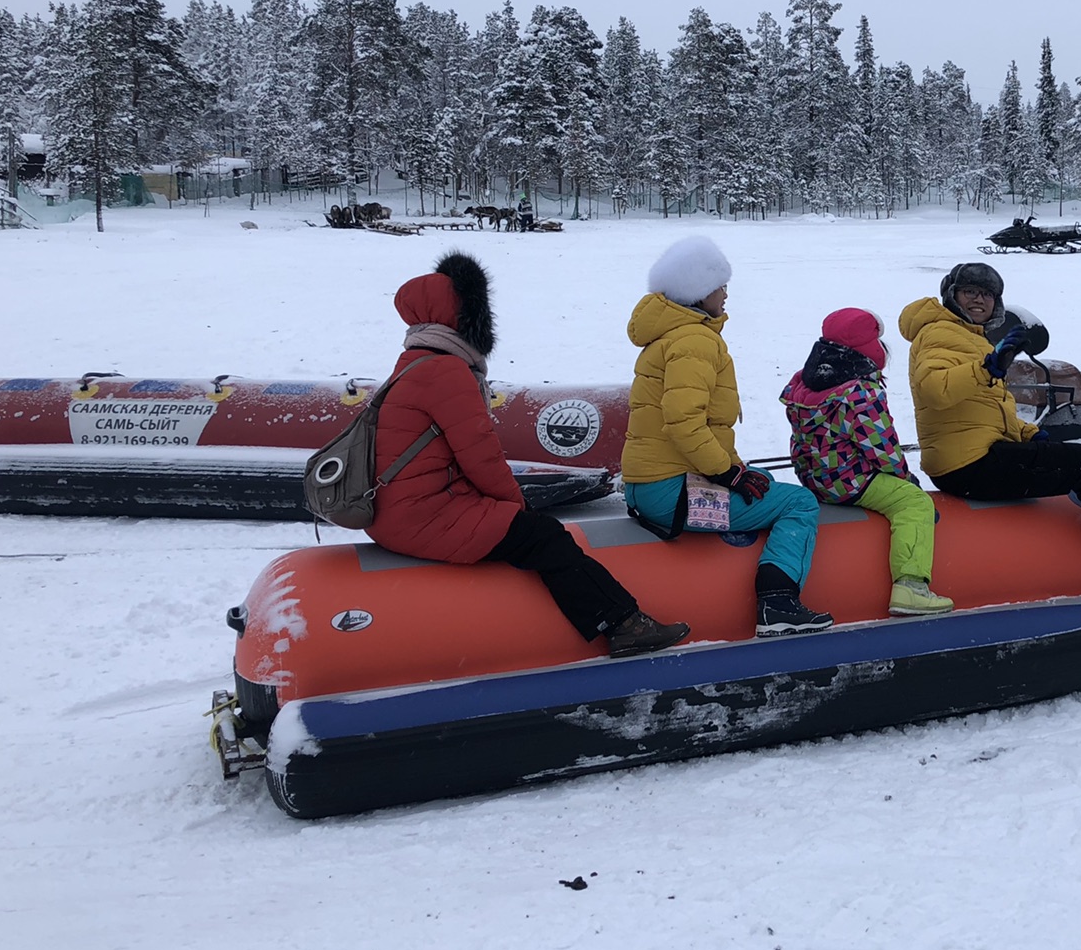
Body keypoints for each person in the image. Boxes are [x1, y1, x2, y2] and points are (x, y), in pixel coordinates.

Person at [366, 251, 689, 656]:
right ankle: (623, 624)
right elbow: (481, 457)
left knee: (529, 530)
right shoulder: (446, 372)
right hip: (423, 515)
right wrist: (515, 509)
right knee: (544, 536)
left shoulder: (412, 362)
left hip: (398, 513)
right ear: (461, 315)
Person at [899, 261, 1081, 591]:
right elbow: (934, 389)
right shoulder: (939, 333)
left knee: (1070, 458)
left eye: (987, 294)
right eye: (969, 291)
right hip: (966, 464)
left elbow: (986, 409)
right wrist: (987, 368)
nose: (979, 300)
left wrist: (1028, 433)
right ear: (951, 294)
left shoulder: (969, 336)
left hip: (973, 453)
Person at [622, 234, 831, 635]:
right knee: (800, 503)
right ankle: (778, 602)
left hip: (648, 484)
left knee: (766, 482)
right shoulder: (695, 340)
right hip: (672, 495)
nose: (725, 294)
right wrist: (727, 473)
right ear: (698, 293)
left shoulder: (669, 333)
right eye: (720, 286)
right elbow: (683, 421)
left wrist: (733, 469)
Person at [780, 308, 953, 617]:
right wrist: (904, 478)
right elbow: (881, 446)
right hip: (850, 482)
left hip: (816, 479)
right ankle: (911, 586)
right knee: (914, 503)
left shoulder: (802, 385)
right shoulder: (860, 392)